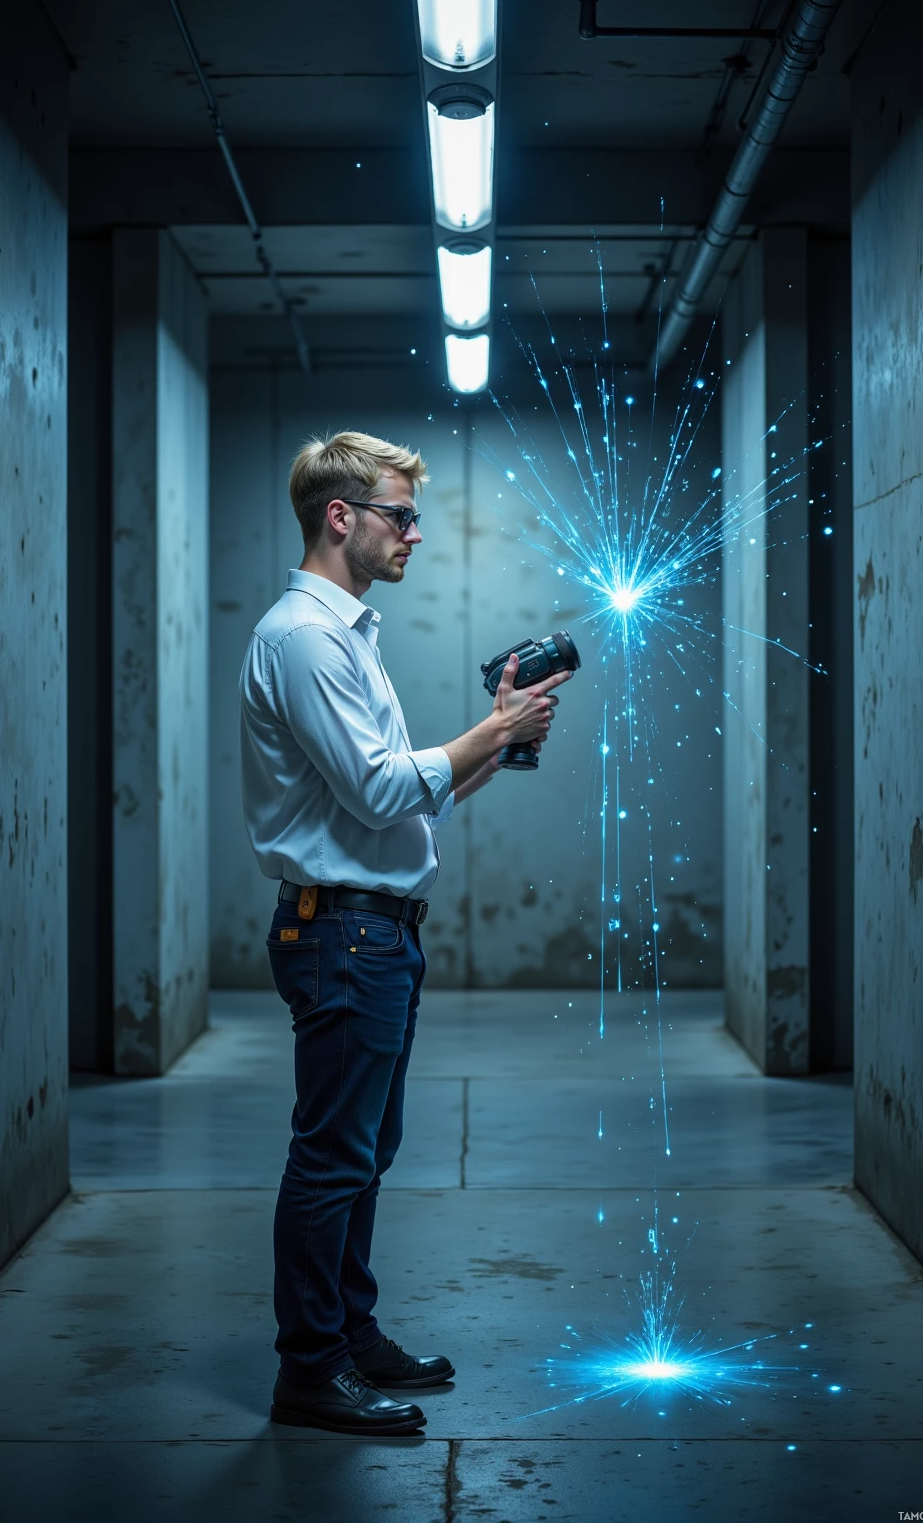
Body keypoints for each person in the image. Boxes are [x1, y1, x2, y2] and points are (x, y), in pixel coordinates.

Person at [239, 430, 570, 1436]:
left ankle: (350, 1335)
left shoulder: (346, 636)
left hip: (372, 933)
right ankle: (310, 1369)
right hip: (343, 937)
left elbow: (400, 808)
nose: (413, 534)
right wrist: (493, 731)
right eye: (400, 514)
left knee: (364, 1149)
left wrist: (492, 744)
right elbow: (382, 785)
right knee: (334, 1154)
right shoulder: (303, 637)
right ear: (342, 517)